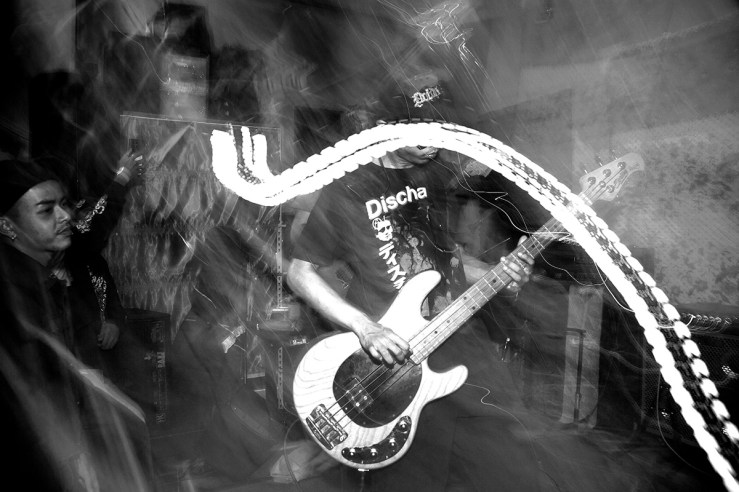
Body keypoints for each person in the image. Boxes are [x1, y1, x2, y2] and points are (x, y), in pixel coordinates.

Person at [286, 71, 542, 491]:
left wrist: (498, 274)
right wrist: (365, 327)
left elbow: (445, 258)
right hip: (394, 365)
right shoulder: (350, 188)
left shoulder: (436, 175)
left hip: (460, 337)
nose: (433, 140)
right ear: (387, 127)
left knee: (509, 465)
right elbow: (300, 272)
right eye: (420, 128)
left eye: (439, 127)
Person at [0, 158, 154, 491]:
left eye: (64, 205)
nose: (65, 216)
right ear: (8, 226)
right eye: (46, 210)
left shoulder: (44, 277)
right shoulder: (15, 292)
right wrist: (72, 453)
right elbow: (32, 389)